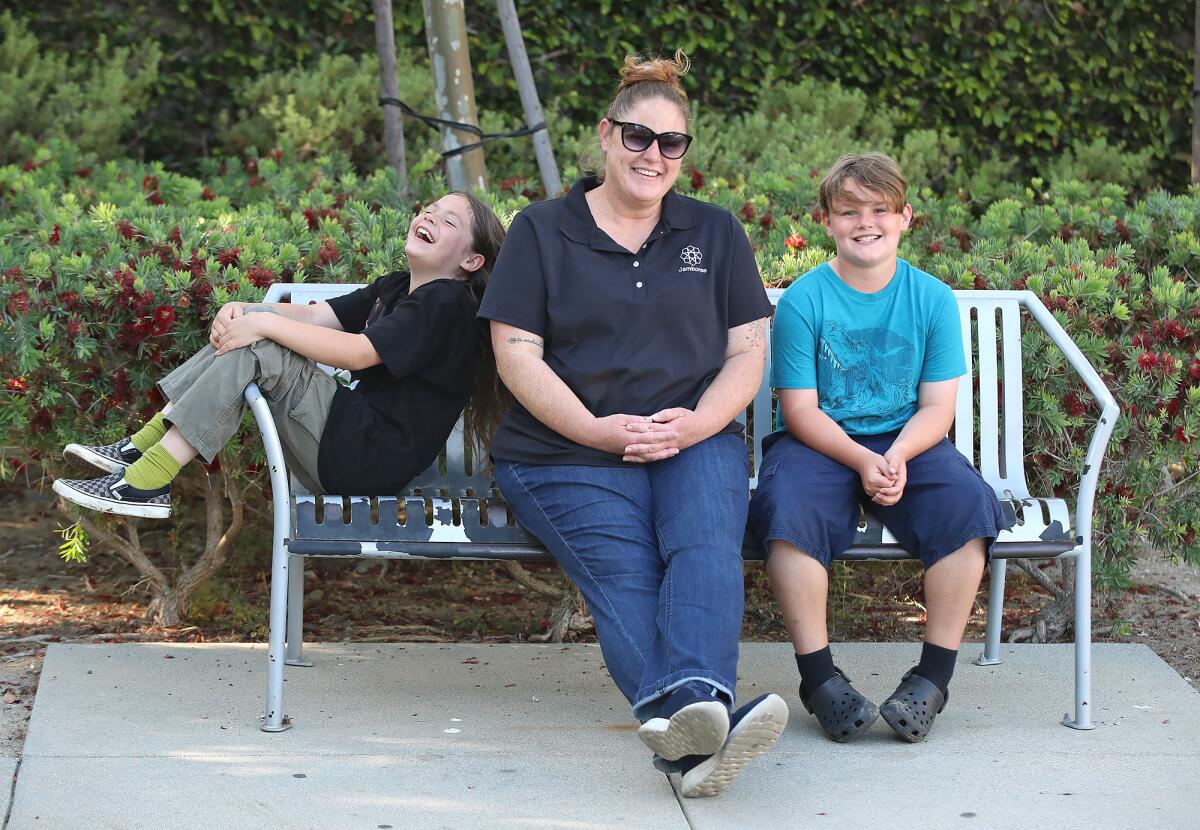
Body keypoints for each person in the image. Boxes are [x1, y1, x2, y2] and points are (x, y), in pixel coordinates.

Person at [478, 51, 786, 798]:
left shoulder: (713, 233)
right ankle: (701, 720)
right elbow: (516, 354)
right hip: (561, 451)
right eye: (638, 137)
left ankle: (688, 732)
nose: (654, 155)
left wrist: (696, 424)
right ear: (606, 136)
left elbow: (748, 349)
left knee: (706, 544)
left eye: (670, 143)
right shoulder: (542, 230)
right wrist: (596, 430)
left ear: (683, 153)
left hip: (694, 434)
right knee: (626, 573)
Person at [750, 153, 1010, 743]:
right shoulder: (803, 302)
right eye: (848, 211)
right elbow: (800, 410)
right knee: (787, 511)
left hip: (909, 442)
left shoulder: (932, 299)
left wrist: (895, 455)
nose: (864, 222)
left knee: (968, 508)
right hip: (818, 442)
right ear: (826, 221)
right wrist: (863, 459)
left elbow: (936, 409)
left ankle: (930, 681)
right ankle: (820, 681)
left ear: (905, 217)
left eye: (879, 210)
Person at [54, 191, 508, 515]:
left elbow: (357, 353)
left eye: (449, 222)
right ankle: (141, 451)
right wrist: (247, 309)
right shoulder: (396, 286)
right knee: (253, 332)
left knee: (263, 345)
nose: (430, 217)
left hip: (367, 456)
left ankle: (145, 479)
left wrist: (264, 324)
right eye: (430, 209)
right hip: (345, 442)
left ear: (471, 262)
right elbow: (314, 317)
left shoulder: (447, 303)